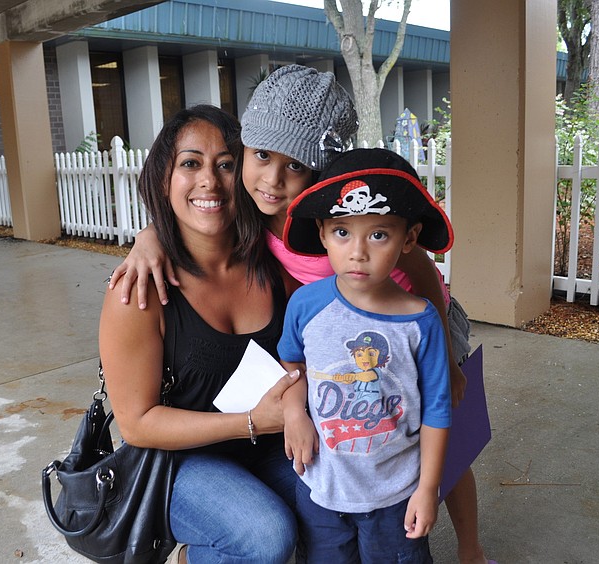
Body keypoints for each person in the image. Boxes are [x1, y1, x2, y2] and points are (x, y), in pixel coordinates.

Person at [110, 65, 492, 564]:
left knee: (435, 435)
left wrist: (442, 341)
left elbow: (418, 266)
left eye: (293, 165)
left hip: (416, 320)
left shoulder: (321, 214)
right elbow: (193, 218)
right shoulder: (240, 224)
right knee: (319, 485)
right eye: (261, 156)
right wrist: (149, 237)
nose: (271, 178)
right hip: (322, 349)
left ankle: (470, 549)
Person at [98, 104, 304, 564]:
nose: (209, 181)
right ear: (164, 179)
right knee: (265, 535)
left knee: (342, 493)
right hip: (179, 464)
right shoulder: (138, 290)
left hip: (271, 443)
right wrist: (252, 421)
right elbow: (136, 423)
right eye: (190, 164)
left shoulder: (275, 268)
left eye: (226, 165)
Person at [277, 147, 452, 562]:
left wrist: (428, 489)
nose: (358, 251)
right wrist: (293, 412)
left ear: (409, 238)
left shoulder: (421, 322)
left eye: (378, 234)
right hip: (322, 489)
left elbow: (437, 411)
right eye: (342, 232)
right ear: (321, 233)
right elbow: (292, 363)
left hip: (394, 494)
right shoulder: (305, 305)